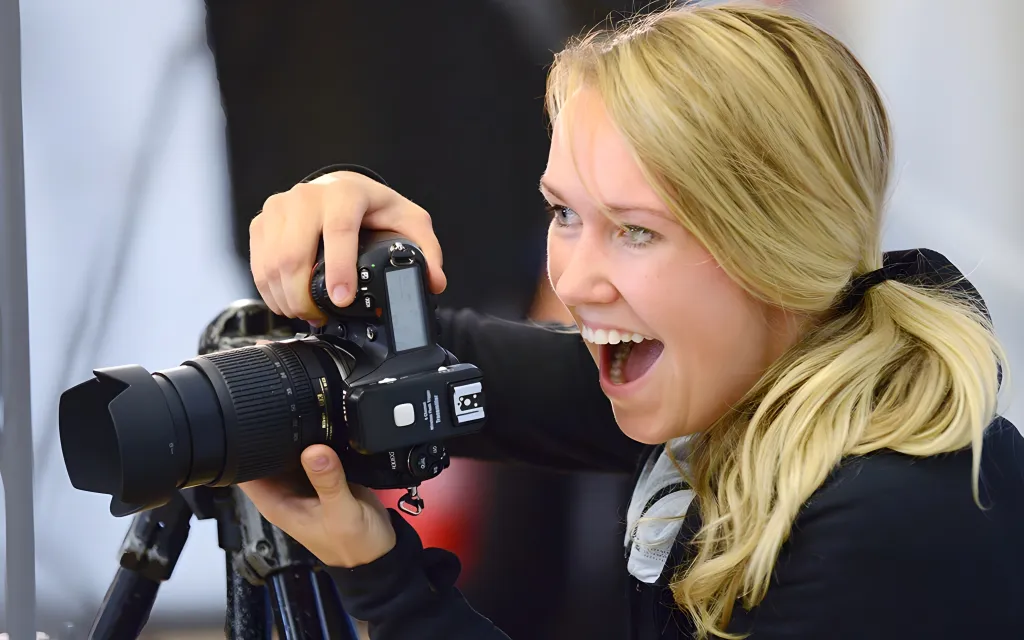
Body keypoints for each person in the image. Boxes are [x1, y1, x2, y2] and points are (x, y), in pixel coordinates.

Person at [239, 4, 1023, 639]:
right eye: (564, 214)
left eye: (636, 231)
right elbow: (451, 366)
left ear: (774, 246)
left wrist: (385, 582)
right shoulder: (758, 377)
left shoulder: (886, 516)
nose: (574, 283)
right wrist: (338, 238)